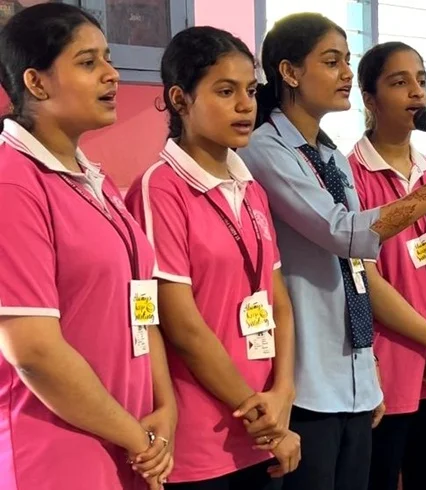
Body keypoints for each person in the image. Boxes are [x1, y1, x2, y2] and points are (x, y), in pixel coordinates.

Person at [237, 13, 426, 490]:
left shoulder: (329, 156)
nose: (347, 72)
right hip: (307, 374)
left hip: (351, 372)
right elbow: (342, 233)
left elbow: (358, 269)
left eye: (347, 61)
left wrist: (365, 370)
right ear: (290, 72)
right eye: (332, 62)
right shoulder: (266, 149)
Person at [0, 4, 174, 490]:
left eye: (108, 59)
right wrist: (137, 438)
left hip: (126, 442)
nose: (111, 74)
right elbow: (34, 351)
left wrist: (165, 407)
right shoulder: (13, 184)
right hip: (54, 456)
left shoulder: (93, 180)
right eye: (87, 62)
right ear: (36, 83)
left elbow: (141, 305)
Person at [125, 27, 300, 490]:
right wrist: (256, 409)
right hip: (204, 438)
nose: (245, 105)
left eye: (250, 91)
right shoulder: (160, 188)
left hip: (265, 425)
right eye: (225, 91)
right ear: (180, 99)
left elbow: (278, 301)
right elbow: (181, 326)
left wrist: (283, 392)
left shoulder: (251, 189)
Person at [346, 41, 426, 490]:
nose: (416, 92)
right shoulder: (351, 174)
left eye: (421, 80)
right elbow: (364, 278)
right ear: (369, 99)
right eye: (399, 83)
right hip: (392, 357)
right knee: (380, 476)